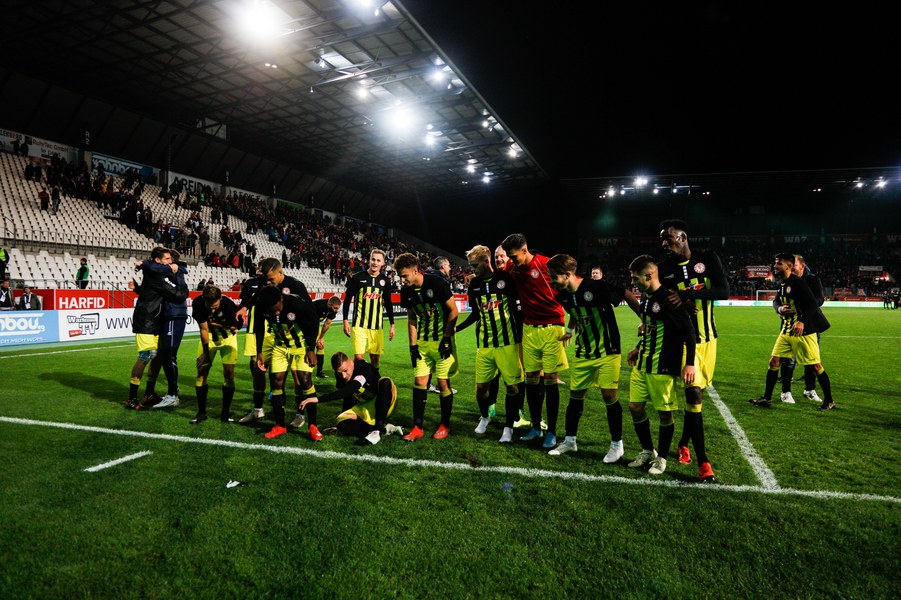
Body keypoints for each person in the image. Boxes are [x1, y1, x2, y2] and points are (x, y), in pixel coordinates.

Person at [547, 254, 640, 459]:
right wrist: (570, 331)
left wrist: (644, 318)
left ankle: (617, 445)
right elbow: (575, 311)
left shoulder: (596, 287)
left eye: (554, 276)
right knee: (575, 396)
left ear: (568, 275)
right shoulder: (563, 295)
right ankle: (570, 441)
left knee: (609, 396)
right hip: (584, 351)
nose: (551, 281)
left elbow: (625, 293)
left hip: (608, 349)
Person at [657, 218, 726, 481]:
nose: (665, 243)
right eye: (662, 239)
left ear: (683, 237)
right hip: (685, 342)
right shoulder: (663, 269)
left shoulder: (708, 259)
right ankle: (704, 462)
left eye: (669, 237)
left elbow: (723, 291)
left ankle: (683, 442)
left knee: (695, 399)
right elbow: (662, 301)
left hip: (709, 340)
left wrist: (688, 295)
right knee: (693, 394)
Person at [626, 254, 697, 476]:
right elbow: (652, 327)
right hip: (642, 363)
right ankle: (648, 450)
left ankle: (662, 458)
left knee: (665, 414)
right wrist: (638, 347)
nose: (633, 282)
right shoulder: (646, 297)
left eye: (636, 278)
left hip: (662, 365)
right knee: (635, 407)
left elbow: (688, 331)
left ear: (649, 276)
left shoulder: (668, 298)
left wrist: (690, 364)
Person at [501, 233, 567, 449]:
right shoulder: (512, 268)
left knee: (550, 379)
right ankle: (536, 426)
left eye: (514, 256)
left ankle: (552, 431)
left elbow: (569, 284)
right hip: (529, 329)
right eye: (510, 257)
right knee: (530, 379)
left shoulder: (546, 264)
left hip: (551, 327)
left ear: (524, 250)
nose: (512, 261)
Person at [749, 253, 836, 411]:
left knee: (815, 367)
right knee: (774, 362)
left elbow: (813, 304)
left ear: (789, 266)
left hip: (803, 332)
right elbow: (777, 301)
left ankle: (829, 400)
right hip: (786, 330)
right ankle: (767, 398)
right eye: (775, 263)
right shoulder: (782, 283)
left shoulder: (798, 283)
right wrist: (781, 309)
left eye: (779, 263)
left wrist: (801, 321)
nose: (775, 266)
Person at [455, 245, 524, 443]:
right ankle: (485, 417)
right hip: (484, 345)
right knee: (480, 390)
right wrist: (457, 328)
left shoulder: (505, 278)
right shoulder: (474, 285)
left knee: (512, 388)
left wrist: (520, 337)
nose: (473, 269)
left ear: (486, 261)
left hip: (507, 344)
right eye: (471, 265)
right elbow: (475, 315)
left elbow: (517, 309)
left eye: (475, 265)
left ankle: (508, 428)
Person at [393, 252, 459, 440]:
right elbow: (412, 319)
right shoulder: (406, 292)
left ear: (415, 270)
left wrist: (446, 339)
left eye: (404, 275)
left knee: (443, 383)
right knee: (420, 382)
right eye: (400, 276)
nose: (402, 280)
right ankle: (417, 427)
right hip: (422, 344)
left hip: (442, 343)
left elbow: (453, 311)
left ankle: (445, 425)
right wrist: (412, 346)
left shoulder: (437, 283)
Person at [253, 279, 320, 440]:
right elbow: (258, 327)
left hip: (301, 346)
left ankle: (313, 426)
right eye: (273, 311)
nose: (276, 313)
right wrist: (259, 351)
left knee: (305, 380)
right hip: (280, 346)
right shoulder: (261, 305)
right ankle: (280, 425)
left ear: (281, 299)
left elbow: (314, 323)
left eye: (278, 309)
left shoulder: (297, 304)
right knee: (276, 381)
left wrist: (311, 349)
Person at [299, 351, 404, 445]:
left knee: (385, 381)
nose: (343, 376)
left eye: (345, 370)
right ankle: (385, 429)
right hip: (366, 407)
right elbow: (347, 397)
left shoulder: (363, 367)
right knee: (343, 424)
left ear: (351, 362)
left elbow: (351, 389)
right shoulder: (340, 376)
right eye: (339, 373)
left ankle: (377, 430)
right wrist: (342, 423)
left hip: (386, 403)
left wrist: (318, 399)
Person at [125, 247, 183, 409]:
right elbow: (176, 293)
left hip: (156, 320)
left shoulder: (155, 271)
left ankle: (149, 393)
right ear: (157, 261)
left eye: (171, 259)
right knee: (146, 355)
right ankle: (131, 398)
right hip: (146, 320)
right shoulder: (155, 271)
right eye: (167, 259)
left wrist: (137, 287)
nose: (170, 262)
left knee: (158, 356)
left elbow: (148, 291)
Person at [143, 249, 190, 409]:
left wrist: (143, 264)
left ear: (172, 262)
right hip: (169, 314)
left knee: (169, 355)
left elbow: (179, 292)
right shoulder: (167, 272)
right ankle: (172, 390)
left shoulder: (174, 271)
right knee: (164, 355)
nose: (167, 262)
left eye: (169, 259)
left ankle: (172, 395)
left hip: (173, 314)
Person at [191, 285, 241, 424]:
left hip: (228, 338)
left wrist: (219, 325)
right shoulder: (198, 303)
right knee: (201, 372)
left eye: (215, 306)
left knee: (229, 374)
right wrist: (206, 353)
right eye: (210, 306)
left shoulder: (229, 305)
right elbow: (203, 329)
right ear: (204, 299)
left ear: (220, 298)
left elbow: (236, 327)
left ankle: (225, 413)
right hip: (210, 338)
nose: (213, 310)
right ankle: (201, 413)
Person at [778, 255, 825, 403]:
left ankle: (809, 390)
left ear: (802, 266)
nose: (792, 268)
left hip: (809, 324)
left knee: (811, 360)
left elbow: (819, 300)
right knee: (788, 359)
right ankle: (786, 392)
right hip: (790, 324)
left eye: (795, 266)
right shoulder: (786, 280)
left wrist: (802, 310)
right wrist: (781, 309)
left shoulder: (812, 280)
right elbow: (777, 300)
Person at [342, 248, 395, 376]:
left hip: (376, 327)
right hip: (359, 325)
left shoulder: (385, 281)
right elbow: (347, 299)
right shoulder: (357, 278)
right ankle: (358, 384)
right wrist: (345, 320)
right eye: (373, 259)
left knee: (375, 359)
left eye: (378, 260)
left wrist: (392, 325)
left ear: (383, 263)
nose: (375, 263)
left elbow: (388, 303)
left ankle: (374, 381)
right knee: (359, 359)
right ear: (369, 260)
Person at [313, 296, 342, 378]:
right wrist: (316, 339)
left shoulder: (333, 310)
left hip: (316, 324)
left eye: (338, 308)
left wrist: (321, 338)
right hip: (305, 324)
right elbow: (311, 322)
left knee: (321, 346)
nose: (336, 310)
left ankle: (319, 372)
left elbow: (327, 323)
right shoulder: (318, 306)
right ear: (329, 304)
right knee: (308, 346)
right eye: (335, 308)